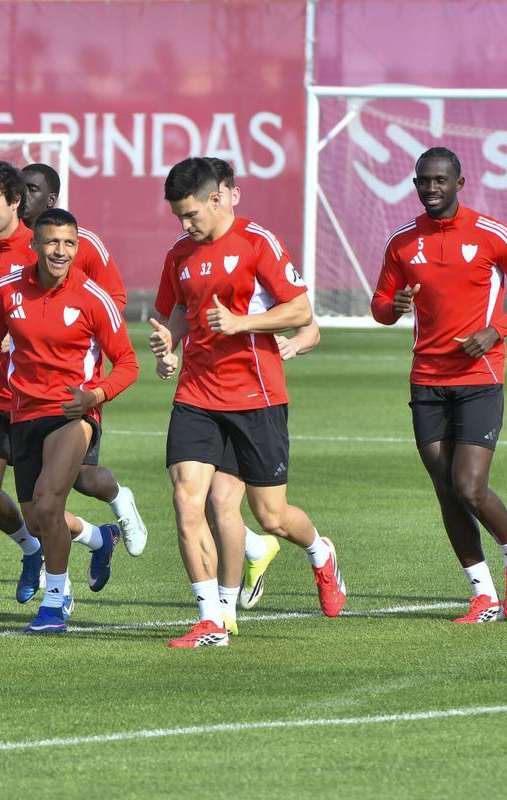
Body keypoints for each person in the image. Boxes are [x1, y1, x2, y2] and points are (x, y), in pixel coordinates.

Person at [153, 156, 344, 648]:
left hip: (256, 396)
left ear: (218, 199)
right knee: (188, 499)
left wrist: (242, 324)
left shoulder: (259, 242)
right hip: (196, 394)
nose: (185, 224)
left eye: (191, 214)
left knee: (270, 516)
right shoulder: (180, 253)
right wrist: (170, 344)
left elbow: (301, 309)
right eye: (178, 216)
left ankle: (320, 552)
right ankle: (212, 618)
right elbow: (179, 308)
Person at [371, 147, 507, 623]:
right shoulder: (403, 241)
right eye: (423, 181)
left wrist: (496, 331)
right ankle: (483, 593)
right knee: (445, 489)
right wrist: (396, 305)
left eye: (439, 181)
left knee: (469, 486)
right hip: (426, 380)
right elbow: (381, 306)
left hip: (479, 377)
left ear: (459, 183)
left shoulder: (491, 234)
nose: (430, 189)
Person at [0, 208, 135, 634]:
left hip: (73, 413)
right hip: (23, 412)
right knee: (37, 521)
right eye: (51, 242)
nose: (60, 251)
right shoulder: (7, 291)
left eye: (68, 243)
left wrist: (95, 396)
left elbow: (127, 362)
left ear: (77, 247)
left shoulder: (92, 297)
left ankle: (55, 598)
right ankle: (99, 538)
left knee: (49, 503)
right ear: (34, 245)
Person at [18, 163, 148, 556]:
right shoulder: (11, 241)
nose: (21, 196)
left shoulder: (86, 244)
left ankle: (120, 502)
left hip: (77, 382)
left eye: (30, 189)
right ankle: (92, 543)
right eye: (17, 188)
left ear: (50, 198)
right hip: (23, 388)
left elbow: (114, 301)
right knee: (38, 501)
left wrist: (70, 332)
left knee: (83, 479)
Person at [0, 162, 60, 604]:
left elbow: (58, 314)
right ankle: (31, 550)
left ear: (16, 202)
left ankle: (66, 586)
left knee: (41, 506)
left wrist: (16, 342)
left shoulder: (42, 249)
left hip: (34, 398)